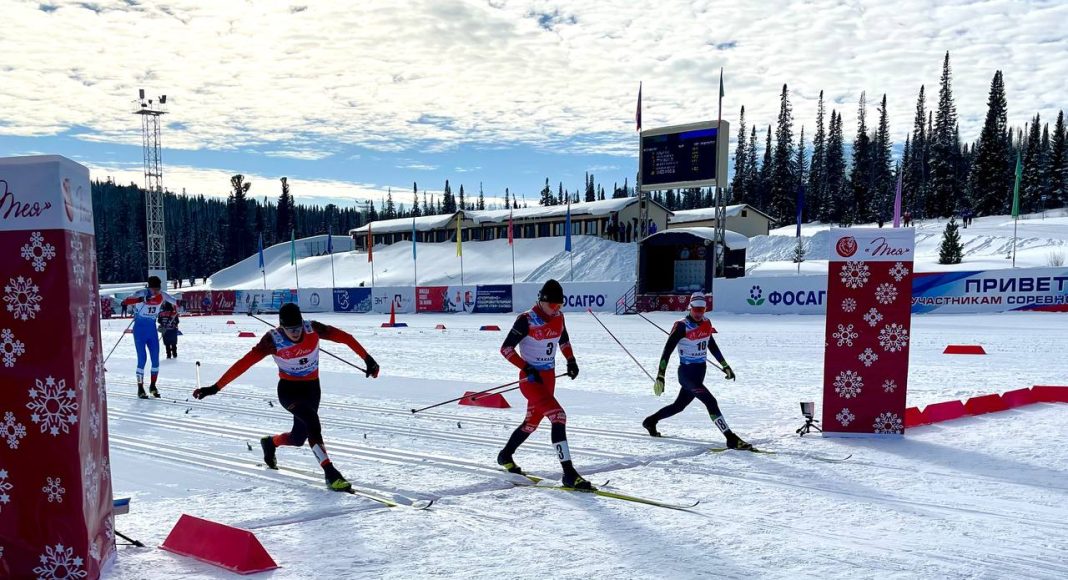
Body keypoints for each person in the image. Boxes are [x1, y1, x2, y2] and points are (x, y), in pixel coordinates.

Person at [191, 303, 380, 492]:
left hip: (312, 389)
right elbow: (244, 363)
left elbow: (346, 338)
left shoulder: (313, 328)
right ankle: (330, 473)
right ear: (281, 327)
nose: (295, 333)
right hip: (289, 391)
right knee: (312, 422)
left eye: (297, 328)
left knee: (298, 438)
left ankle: (270, 443)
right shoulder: (272, 340)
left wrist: (368, 359)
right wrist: (216, 387)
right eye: (290, 329)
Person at [496, 279, 590, 490]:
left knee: (531, 423)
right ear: (541, 300)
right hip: (531, 380)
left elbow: (563, 340)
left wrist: (571, 360)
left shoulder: (559, 317)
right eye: (553, 305)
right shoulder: (526, 320)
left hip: (548, 378)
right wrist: (526, 367)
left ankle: (505, 455)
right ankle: (569, 473)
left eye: (560, 305)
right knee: (558, 416)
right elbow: (506, 349)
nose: (556, 309)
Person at [642, 292, 752, 450]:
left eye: (702, 310)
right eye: (696, 310)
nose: (699, 313)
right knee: (711, 401)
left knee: (678, 406)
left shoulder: (707, 323)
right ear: (690, 307)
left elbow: (711, 344)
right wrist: (660, 376)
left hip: (699, 373)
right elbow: (667, 351)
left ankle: (650, 421)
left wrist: (725, 365)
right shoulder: (681, 326)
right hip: (687, 374)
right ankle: (730, 438)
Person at [121, 276, 177, 398]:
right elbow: (125, 301)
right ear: (149, 287)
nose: (156, 291)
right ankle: (140, 388)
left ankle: (153, 386)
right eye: (153, 289)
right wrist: (141, 299)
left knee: (155, 360)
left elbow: (175, 301)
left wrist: (179, 304)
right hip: (140, 331)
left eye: (158, 289)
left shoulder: (162, 295)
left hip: (152, 331)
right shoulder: (141, 293)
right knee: (142, 359)